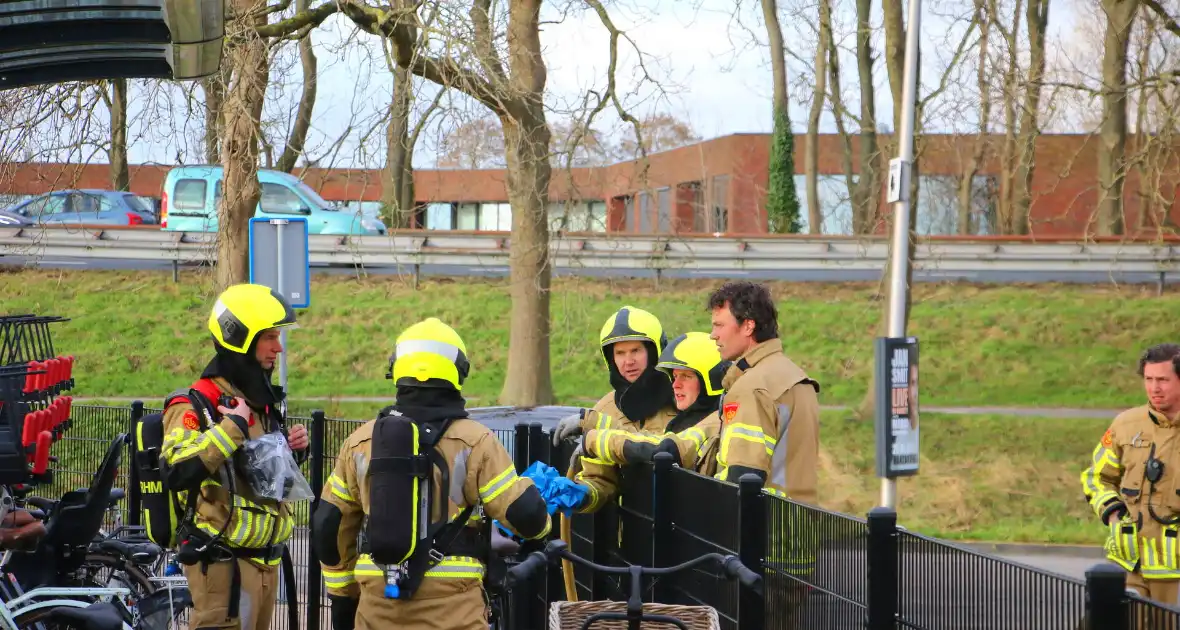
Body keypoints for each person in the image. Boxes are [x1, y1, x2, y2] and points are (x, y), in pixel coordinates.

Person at [312, 318, 552, 630]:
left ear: (397, 369)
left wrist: (344, 596)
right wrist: (541, 531)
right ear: (458, 372)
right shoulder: (476, 441)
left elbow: (329, 524)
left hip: (378, 601)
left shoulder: (360, 441)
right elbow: (524, 514)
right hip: (454, 607)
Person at [160, 283, 309, 630]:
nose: (279, 348)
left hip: (266, 563)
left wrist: (291, 451)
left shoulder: (259, 400)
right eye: (269, 337)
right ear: (240, 338)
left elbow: (257, 481)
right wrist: (233, 427)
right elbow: (176, 470)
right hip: (223, 567)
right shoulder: (194, 404)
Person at [551, 305, 679, 512]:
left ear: (655, 351)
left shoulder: (680, 399)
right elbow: (600, 479)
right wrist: (582, 493)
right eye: (620, 353)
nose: (628, 361)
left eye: (636, 350)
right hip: (628, 535)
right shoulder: (604, 408)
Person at [1080, 343, 1180, 609]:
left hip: (1175, 578)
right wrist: (1113, 512)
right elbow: (1095, 477)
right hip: (1127, 566)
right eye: (1149, 379)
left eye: (1163, 380)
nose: (1154, 388)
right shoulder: (1126, 425)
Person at [706, 280, 820, 501]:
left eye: (719, 325)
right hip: (802, 523)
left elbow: (743, 478)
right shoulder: (794, 375)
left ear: (748, 326)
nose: (713, 334)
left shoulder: (750, 387)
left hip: (764, 526)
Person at [576, 331, 729, 487]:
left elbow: (661, 447)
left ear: (712, 380)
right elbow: (644, 438)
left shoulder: (716, 421)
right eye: (675, 377)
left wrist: (592, 440)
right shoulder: (690, 420)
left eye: (686, 376)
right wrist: (592, 421)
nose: (676, 385)